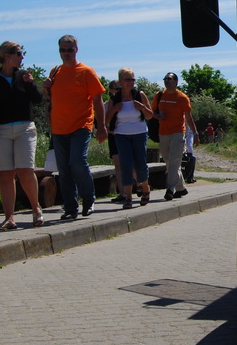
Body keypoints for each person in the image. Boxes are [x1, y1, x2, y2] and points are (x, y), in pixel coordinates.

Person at [43, 35, 107, 220]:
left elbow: (98, 100)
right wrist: (45, 88)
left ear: (76, 50)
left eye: (70, 49)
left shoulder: (86, 71)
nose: (66, 53)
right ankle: (70, 207)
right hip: (59, 127)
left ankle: (88, 199)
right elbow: (51, 99)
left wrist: (101, 126)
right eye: (63, 50)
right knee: (64, 170)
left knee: (77, 162)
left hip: (81, 125)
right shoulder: (55, 71)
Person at [0, 41, 45, 230]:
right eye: (19, 53)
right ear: (7, 56)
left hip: (24, 128)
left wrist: (31, 83)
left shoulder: (23, 76)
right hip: (0, 130)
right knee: (5, 174)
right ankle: (9, 217)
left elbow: (38, 99)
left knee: (25, 170)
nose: (22, 57)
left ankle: (36, 209)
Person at [105, 68, 153, 209]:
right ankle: (128, 197)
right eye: (127, 79)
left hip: (139, 132)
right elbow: (107, 120)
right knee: (126, 165)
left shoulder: (139, 95)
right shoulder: (115, 99)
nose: (131, 82)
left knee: (140, 164)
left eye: (133, 79)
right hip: (121, 134)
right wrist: (114, 109)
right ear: (120, 81)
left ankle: (145, 188)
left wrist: (142, 107)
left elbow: (150, 115)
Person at [152, 72, 198, 200]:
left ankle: (170, 189)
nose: (167, 81)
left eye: (170, 79)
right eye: (165, 79)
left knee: (175, 160)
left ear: (176, 82)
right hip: (163, 133)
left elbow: (189, 117)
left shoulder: (182, 98)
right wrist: (158, 116)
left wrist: (195, 133)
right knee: (168, 162)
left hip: (178, 133)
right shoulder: (159, 95)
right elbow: (152, 112)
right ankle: (181, 189)